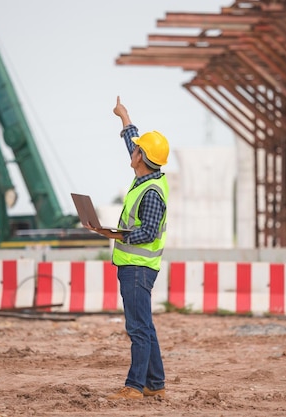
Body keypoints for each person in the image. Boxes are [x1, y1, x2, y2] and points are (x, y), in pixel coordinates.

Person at [84, 96, 170, 400]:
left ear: (141, 158)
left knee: (138, 329)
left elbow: (146, 232)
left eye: (136, 150)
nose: (132, 150)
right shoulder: (147, 174)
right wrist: (124, 116)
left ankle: (134, 388)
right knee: (145, 326)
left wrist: (116, 235)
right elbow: (133, 141)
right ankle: (155, 384)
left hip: (138, 269)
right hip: (134, 267)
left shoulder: (151, 193)